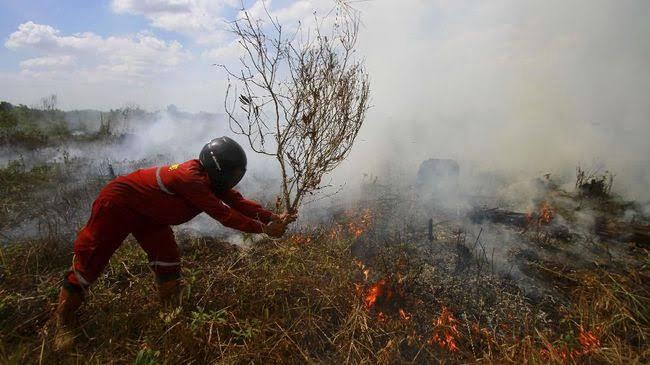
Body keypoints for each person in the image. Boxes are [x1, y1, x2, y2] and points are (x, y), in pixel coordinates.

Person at [51, 136, 294, 350]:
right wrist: (264, 230)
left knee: (168, 260)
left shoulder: (210, 180)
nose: (233, 181)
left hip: (150, 216)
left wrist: (273, 217)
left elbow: (238, 203)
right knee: (90, 261)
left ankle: (169, 314)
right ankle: (63, 322)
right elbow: (225, 215)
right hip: (117, 205)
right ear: (220, 171)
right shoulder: (191, 179)